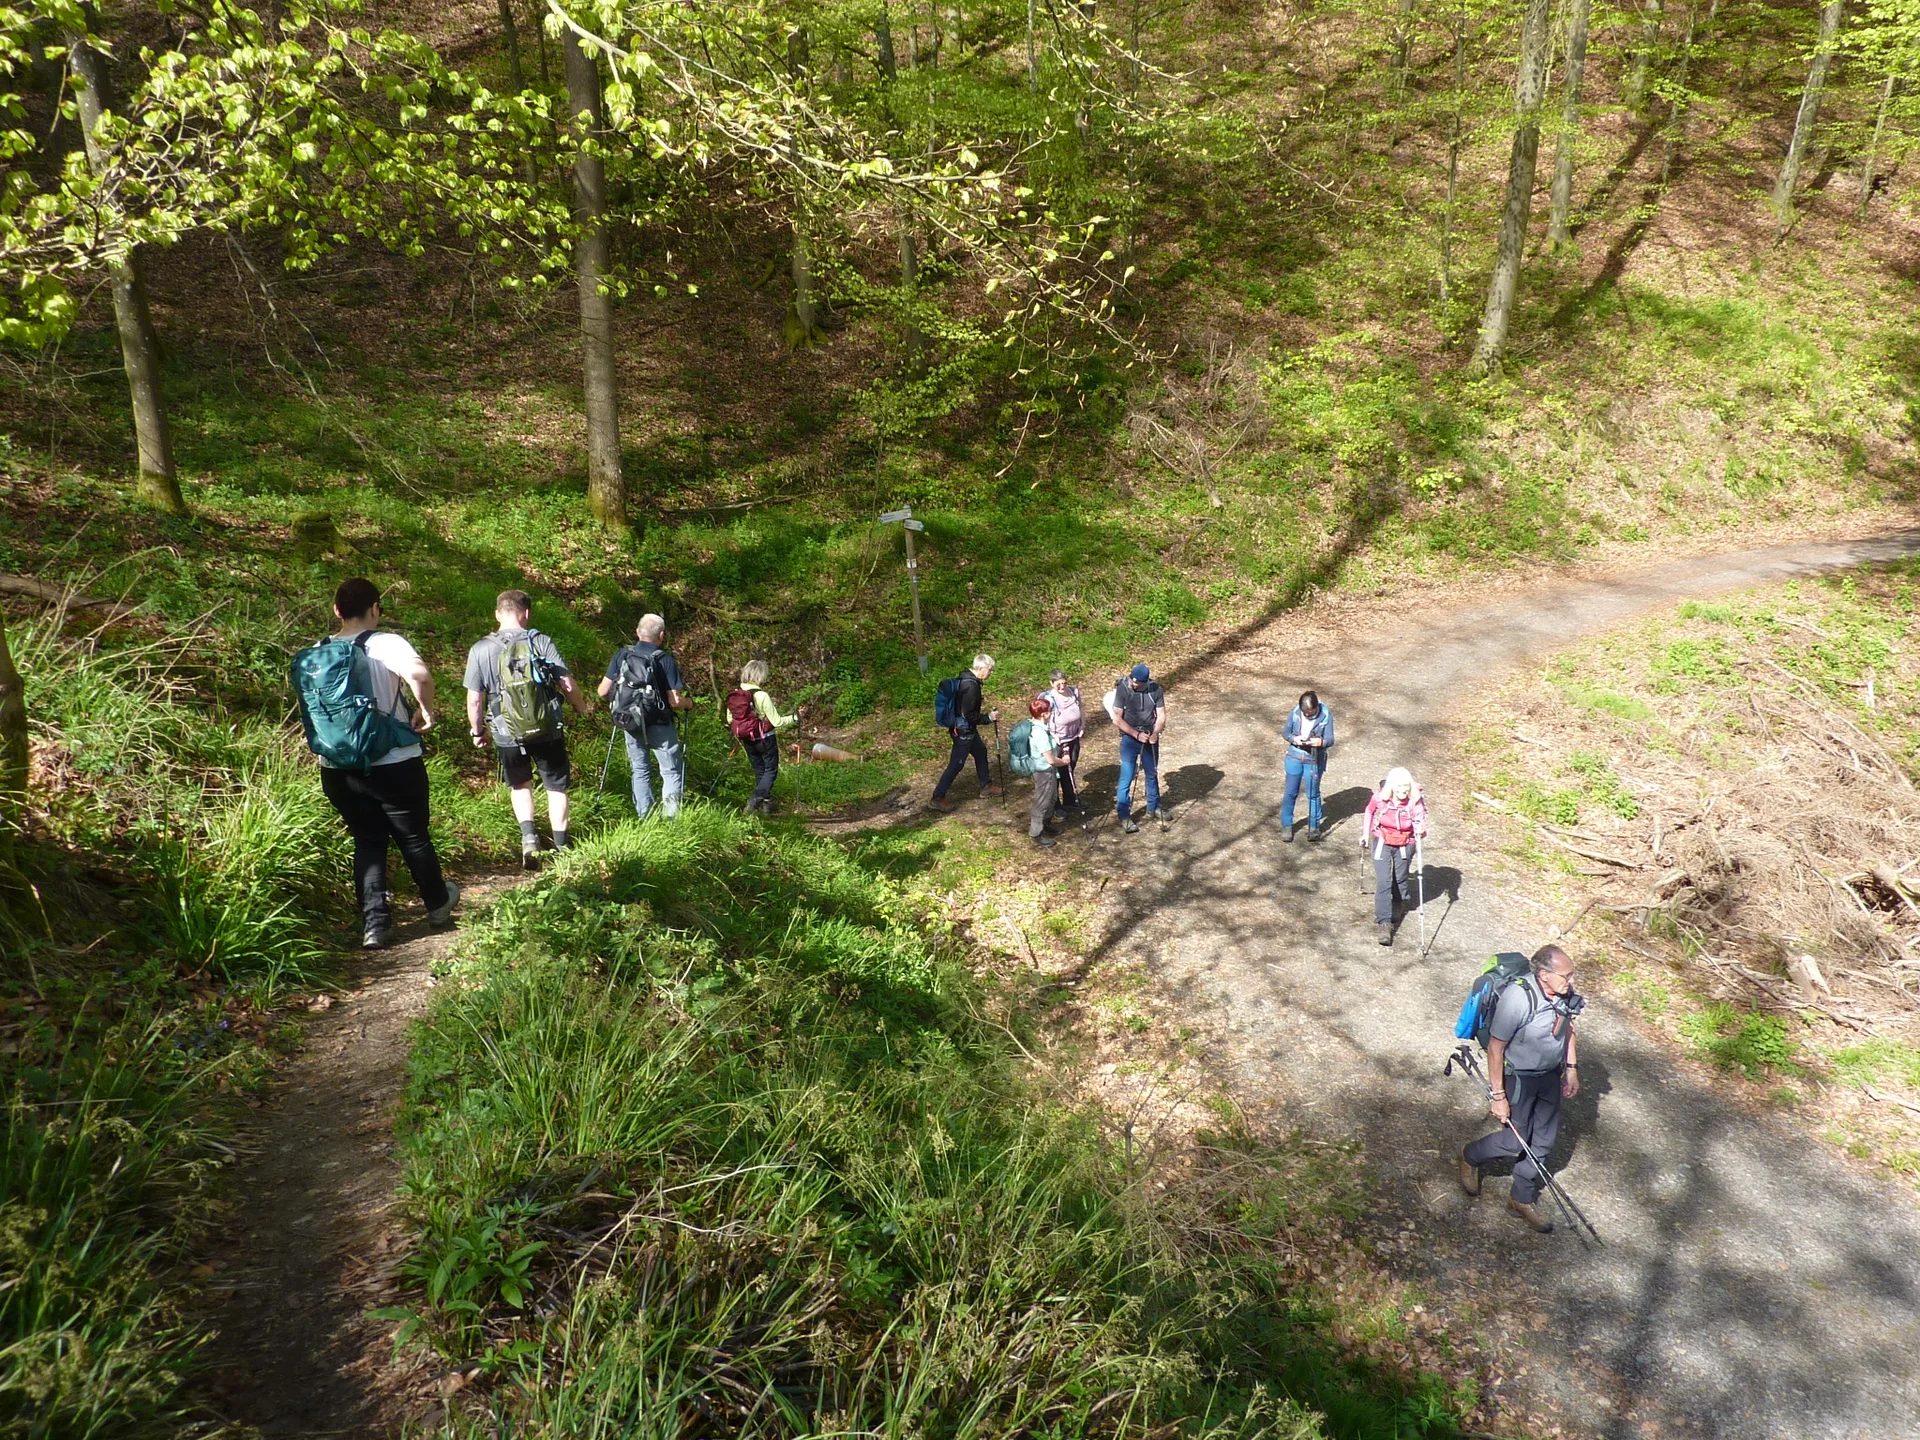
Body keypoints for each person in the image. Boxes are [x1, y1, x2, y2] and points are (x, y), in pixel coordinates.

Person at [302, 577, 458, 949]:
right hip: (394, 762)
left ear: (337, 611)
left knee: (368, 840)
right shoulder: (386, 643)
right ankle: (437, 907)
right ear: (375, 609)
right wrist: (426, 711)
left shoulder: (317, 651)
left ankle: (375, 925)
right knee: (413, 836)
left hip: (337, 767)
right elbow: (418, 675)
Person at [463, 590, 594, 868]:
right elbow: (567, 684)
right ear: (526, 614)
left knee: (520, 785)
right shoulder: (540, 641)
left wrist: (477, 732)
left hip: (506, 731)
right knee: (556, 786)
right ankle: (562, 847)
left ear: (498, 613)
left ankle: (529, 839)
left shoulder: (480, 649)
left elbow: (475, 699)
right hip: (546, 727)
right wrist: (582, 708)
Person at [1460, 945, 1583, 1233]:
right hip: (1519, 1079)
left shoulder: (1564, 994)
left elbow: (1569, 1029)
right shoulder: (1518, 998)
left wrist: (1571, 1069)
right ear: (1543, 975)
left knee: (1544, 1141)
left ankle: (1521, 1198)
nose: (1571, 982)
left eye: (1572, 975)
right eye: (1566, 976)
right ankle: (1470, 1156)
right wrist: (1498, 1096)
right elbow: (1495, 1048)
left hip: (1549, 1075)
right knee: (1515, 1141)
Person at [599, 613, 697, 820]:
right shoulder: (665, 660)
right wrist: (690, 703)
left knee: (640, 770)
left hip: (630, 722)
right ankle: (671, 822)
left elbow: (602, 691)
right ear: (661, 635)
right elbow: (674, 701)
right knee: (670, 771)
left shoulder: (622, 655)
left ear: (637, 632)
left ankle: (646, 818)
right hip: (660, 724)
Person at [928, 654, 1003, 812]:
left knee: (981, 751)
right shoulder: (971, 686)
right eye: (990, 670)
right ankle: (937, 797)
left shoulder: (966, 678)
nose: (991, 673)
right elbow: (968, 714)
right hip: (964, 730)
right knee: (956, 764)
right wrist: (988, 718)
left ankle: (986, 785)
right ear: (981, 668)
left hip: (965, 729)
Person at [1362, 766, 1428, 945]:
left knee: (1399, 879)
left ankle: (1399, 901)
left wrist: (1421, 830)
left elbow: (1421, 823)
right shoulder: (1380, 798)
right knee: (1383, 881)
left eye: (1406, 788)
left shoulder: (1415, 802)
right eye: (1399, 788)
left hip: (1406, 843)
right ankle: (1384, 923)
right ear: (1391, 787)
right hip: (1382, 840)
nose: (1402, 792)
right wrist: (1364, 834)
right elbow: (1369, 811)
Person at [730, 659, 800, 816]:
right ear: (760, 675)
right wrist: (796, 718)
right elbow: (777, 721)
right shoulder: (762, 695)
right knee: (770, 771)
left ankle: (768, 805)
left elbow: (730, 719)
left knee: (760, 771)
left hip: (747, 739)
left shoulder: (736, 694)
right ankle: (754, 802)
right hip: (765, 738)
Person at [1104, 663, 1167, 834]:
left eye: (1137, 681)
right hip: (1130, 738)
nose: (1133, 682)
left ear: (1145, 681)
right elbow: (1117, 719)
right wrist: (1135, 734)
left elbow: (1161, 716)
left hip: (1150, 736)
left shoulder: (1156, 690)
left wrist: (1155, 733)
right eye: (1131, 679)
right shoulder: (1123, 689)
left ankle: (1154, 807)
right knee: (1127, 776)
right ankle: (1124, 815)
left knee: (1151, 773)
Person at [1280, 689, 1334, 842]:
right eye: (1306, 713)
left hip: (1314, 758)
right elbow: (1285, 733)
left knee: (1313, 793)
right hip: (1294, 756)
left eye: (1311, 712)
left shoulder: (1326, 715)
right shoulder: (1295, 713)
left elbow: (1330, 738)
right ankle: (1287, 825)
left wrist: (1321, 742)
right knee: (1290, 792)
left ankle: (1314, 826)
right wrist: (1295, 739)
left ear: (1317, 707)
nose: (1308, 715)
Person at [1023, 695, 1070, 848]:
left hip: (1048, 771)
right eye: (1050, 711)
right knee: (1042, 801)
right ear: (1043, 715)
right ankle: (1036, 833)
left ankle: (1046, 824)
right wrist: (1064, 761)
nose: (1051, 713)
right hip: (1043, 772)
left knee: (1051, 798)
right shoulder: (1039, 733)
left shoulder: (1039, 727)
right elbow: (1050, 759)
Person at [1041, 668, 1085, 811]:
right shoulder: (1049, 699)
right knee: (1057, 773)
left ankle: (1069, 801)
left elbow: (1081, 709)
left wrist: (1082, 725)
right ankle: (1055, 805)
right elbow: (1042, 720)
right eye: (1058, 684)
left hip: (1073, 738)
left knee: (1070, 768)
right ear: (1051, 683)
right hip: (1057, 741)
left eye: (1064, 683)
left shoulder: (1074, 692)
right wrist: (1053, 735)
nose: (1062, 687)